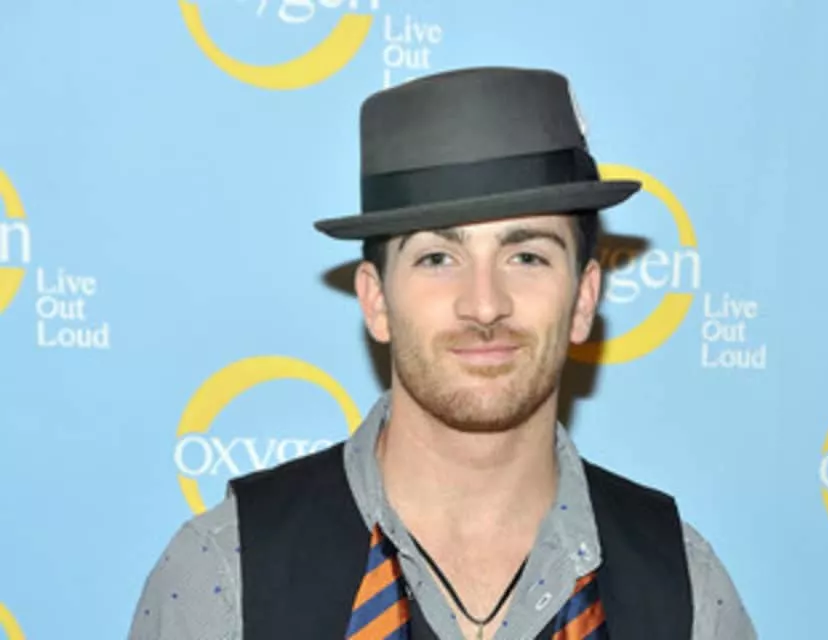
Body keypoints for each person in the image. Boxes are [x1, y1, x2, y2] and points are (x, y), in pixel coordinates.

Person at [128, 67, 756, 640]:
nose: (484, 305)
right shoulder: (226, 575)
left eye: (526, 256)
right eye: (437, 258)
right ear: (376, 300)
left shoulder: (686, 589)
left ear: (584, 298)